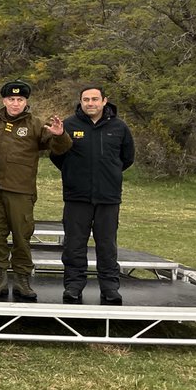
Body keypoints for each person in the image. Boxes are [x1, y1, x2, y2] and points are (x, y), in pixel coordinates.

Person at [0, 80, 71, 301]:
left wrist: (59, 135)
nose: (15, 103)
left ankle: (22, 279)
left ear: (26, 101)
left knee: (21, 234)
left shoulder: (36, 124)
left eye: (19, 99)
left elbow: (60, 148)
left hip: (20, 189)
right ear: (3, 100)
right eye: (11, 99)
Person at [51, 86, 136, 305]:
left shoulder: (119, 127)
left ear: (104, 101)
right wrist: (74, 174)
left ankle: (109, 288)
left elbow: (127, 158)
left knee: (107, 245)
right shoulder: (68, 125)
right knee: (74, 245)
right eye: (86, 99)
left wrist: (110, 173)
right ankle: (73, 286)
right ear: (80, 101)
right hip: (76, 196)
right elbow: (57, 156)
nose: (90, 103)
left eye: (95, 99)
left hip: (108, 197)